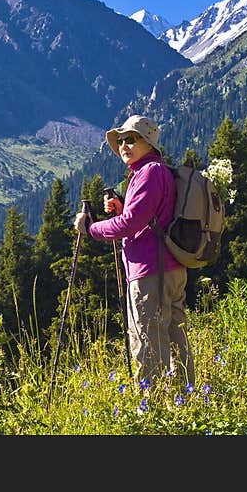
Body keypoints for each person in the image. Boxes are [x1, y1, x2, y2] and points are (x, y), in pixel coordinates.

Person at [74, 114, 195, 389]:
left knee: (148, 339)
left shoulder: (148, 173)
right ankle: (186, 400)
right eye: (121, 141)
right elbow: (146, 216)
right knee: (175, 337)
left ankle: (151, 409)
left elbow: (131, 224)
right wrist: (123, 206)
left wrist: (92, 228)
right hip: (171, 267)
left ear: (149, 142)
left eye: (132, 139)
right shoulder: (158, 171)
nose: (124, 145)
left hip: (150, 270)